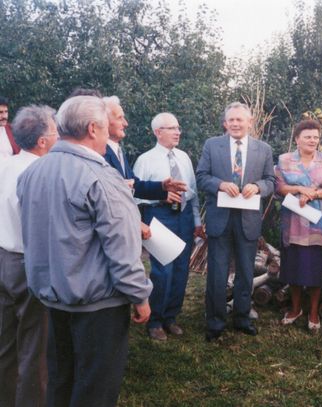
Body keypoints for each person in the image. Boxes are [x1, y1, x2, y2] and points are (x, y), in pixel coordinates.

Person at [17, 96, 152, 407]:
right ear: (93, 129)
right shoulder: (101, 177)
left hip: (53, 300)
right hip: (97, 308)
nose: (107, 136)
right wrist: (140, 296)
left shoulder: (33, 172)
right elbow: (122, 250)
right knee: (94, 393)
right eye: (105, 128)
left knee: (60, 383)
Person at [196, 102, 275, 341]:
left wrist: (258, 187)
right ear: (225, 123)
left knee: (246, 272)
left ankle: (242, 318)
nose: (235, 124)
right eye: (231, 120)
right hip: (220, 219)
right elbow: (201, 177)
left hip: (248, 220)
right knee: (217, 273)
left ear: (250, 122)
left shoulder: (263, 149)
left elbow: (271, 182)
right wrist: (220, 184)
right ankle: (215, 322)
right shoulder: (212, 145)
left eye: (240, 120)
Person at [0, 105, 58, 407]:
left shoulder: (6, 165)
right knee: (35, 348)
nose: (60, 137)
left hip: (4, 260)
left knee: (6, 343)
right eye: (56, 132)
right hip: (28, 263)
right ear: (42, 141)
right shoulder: (40, 173)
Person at [133, 112, 204, 341]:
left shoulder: (183, 157)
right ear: (158, 132)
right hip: (160, 216)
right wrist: (161, 196)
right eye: (171, 128)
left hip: (183, 216)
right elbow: (133, 196)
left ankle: (171, 317)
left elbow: (193, 193)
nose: (177, 132)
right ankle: (155, 321)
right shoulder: (145, 160)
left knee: (182, 269)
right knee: (163, 271)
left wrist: (196, 221)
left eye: (178, 128)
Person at [275, 120, 322, 331]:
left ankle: (313, 312)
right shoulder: (284, 159)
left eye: (315, 137)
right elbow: (279, 187)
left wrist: (313, 194)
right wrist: (299, 190)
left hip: (317, 223)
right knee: (293, 267)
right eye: (307, 137)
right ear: (297, 139)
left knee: (315, 269)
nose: (312, 140)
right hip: (292, 222)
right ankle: (295, 309)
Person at [102, 96, 186, 242]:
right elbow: (108, 198)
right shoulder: (100, 153)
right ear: (104, 121)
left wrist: (162, 187)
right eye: (120, 118)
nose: (126, 123)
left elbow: (135, 185)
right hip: (112, 231)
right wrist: (137, 222)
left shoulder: (117, 150)